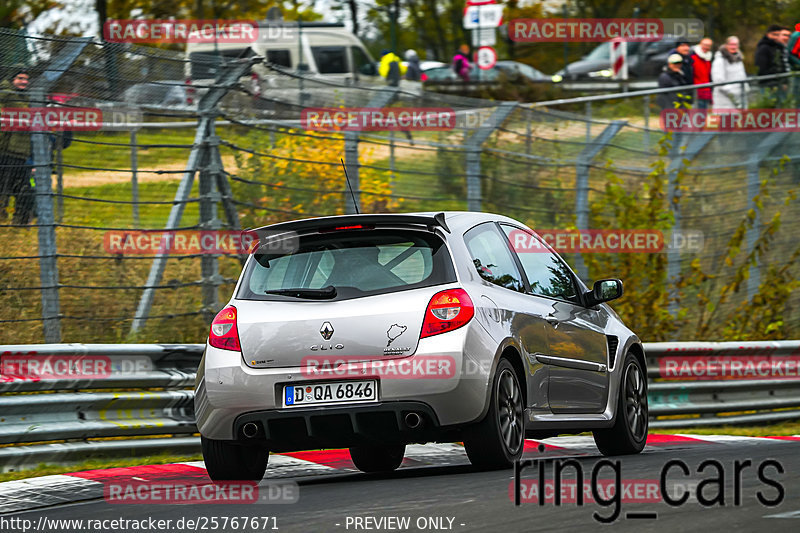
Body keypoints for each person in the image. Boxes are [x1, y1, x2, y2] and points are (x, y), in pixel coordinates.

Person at [0, 67, 34, 224]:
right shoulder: (7, 94)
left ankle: (20, 219)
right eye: (20, 78)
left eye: (26, 79)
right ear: (12, 79)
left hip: (20, 151)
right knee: (6, 185)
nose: (24, 82)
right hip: (9, 149)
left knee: (21, 186)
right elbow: (26, 114)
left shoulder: (24, 96)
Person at [711, 36, 749, 110]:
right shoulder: (720, 60)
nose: (734, 47)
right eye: (731, 44)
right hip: (725, 101)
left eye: (736, 44)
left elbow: (743, 76)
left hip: (739, 99)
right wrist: (734, 96)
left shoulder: (739, 59)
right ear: (726, 45)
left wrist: (745, 89)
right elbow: (718, 81)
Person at [755, 24, 789, 103]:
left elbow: (782, 65)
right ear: (768, 34)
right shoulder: (763, 48)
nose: (776, 37)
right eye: (774, 35)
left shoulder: (779, 47)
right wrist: (773, 80)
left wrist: (784, 81)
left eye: (778, 35)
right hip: (768, 84)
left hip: (779, 83)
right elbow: (761, 67)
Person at [691, 38, 714, 109]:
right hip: (696, 91)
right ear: (700, 44)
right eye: (704, 45)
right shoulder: (692, 57)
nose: (706, 47)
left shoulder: (709, 58)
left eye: (708, 45)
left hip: (706, 90)